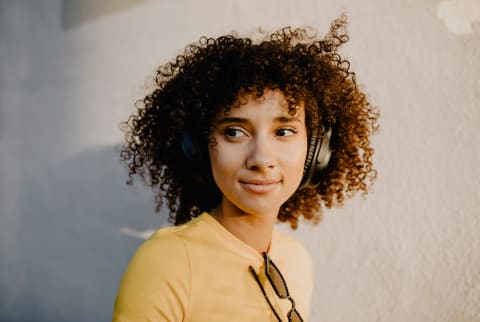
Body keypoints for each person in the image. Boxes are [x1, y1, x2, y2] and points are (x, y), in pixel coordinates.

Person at [112, 14, 378, 322]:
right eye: (235, 132)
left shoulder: (296, 261)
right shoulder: (166, 261)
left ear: (317, 151)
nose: (261, 159)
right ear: (197, 149)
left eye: (284, 131)